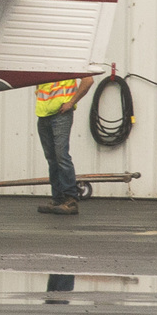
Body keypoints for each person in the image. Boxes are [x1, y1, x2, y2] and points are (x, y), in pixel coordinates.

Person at [34, 76, 94, 215]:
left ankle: (70, 199)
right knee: (52, 158)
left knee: (61, 156)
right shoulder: (46, 65)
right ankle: (58, 199)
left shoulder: (68, 62)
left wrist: (71, 102)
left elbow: (88, 80)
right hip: (44, 114)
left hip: (60, 113)